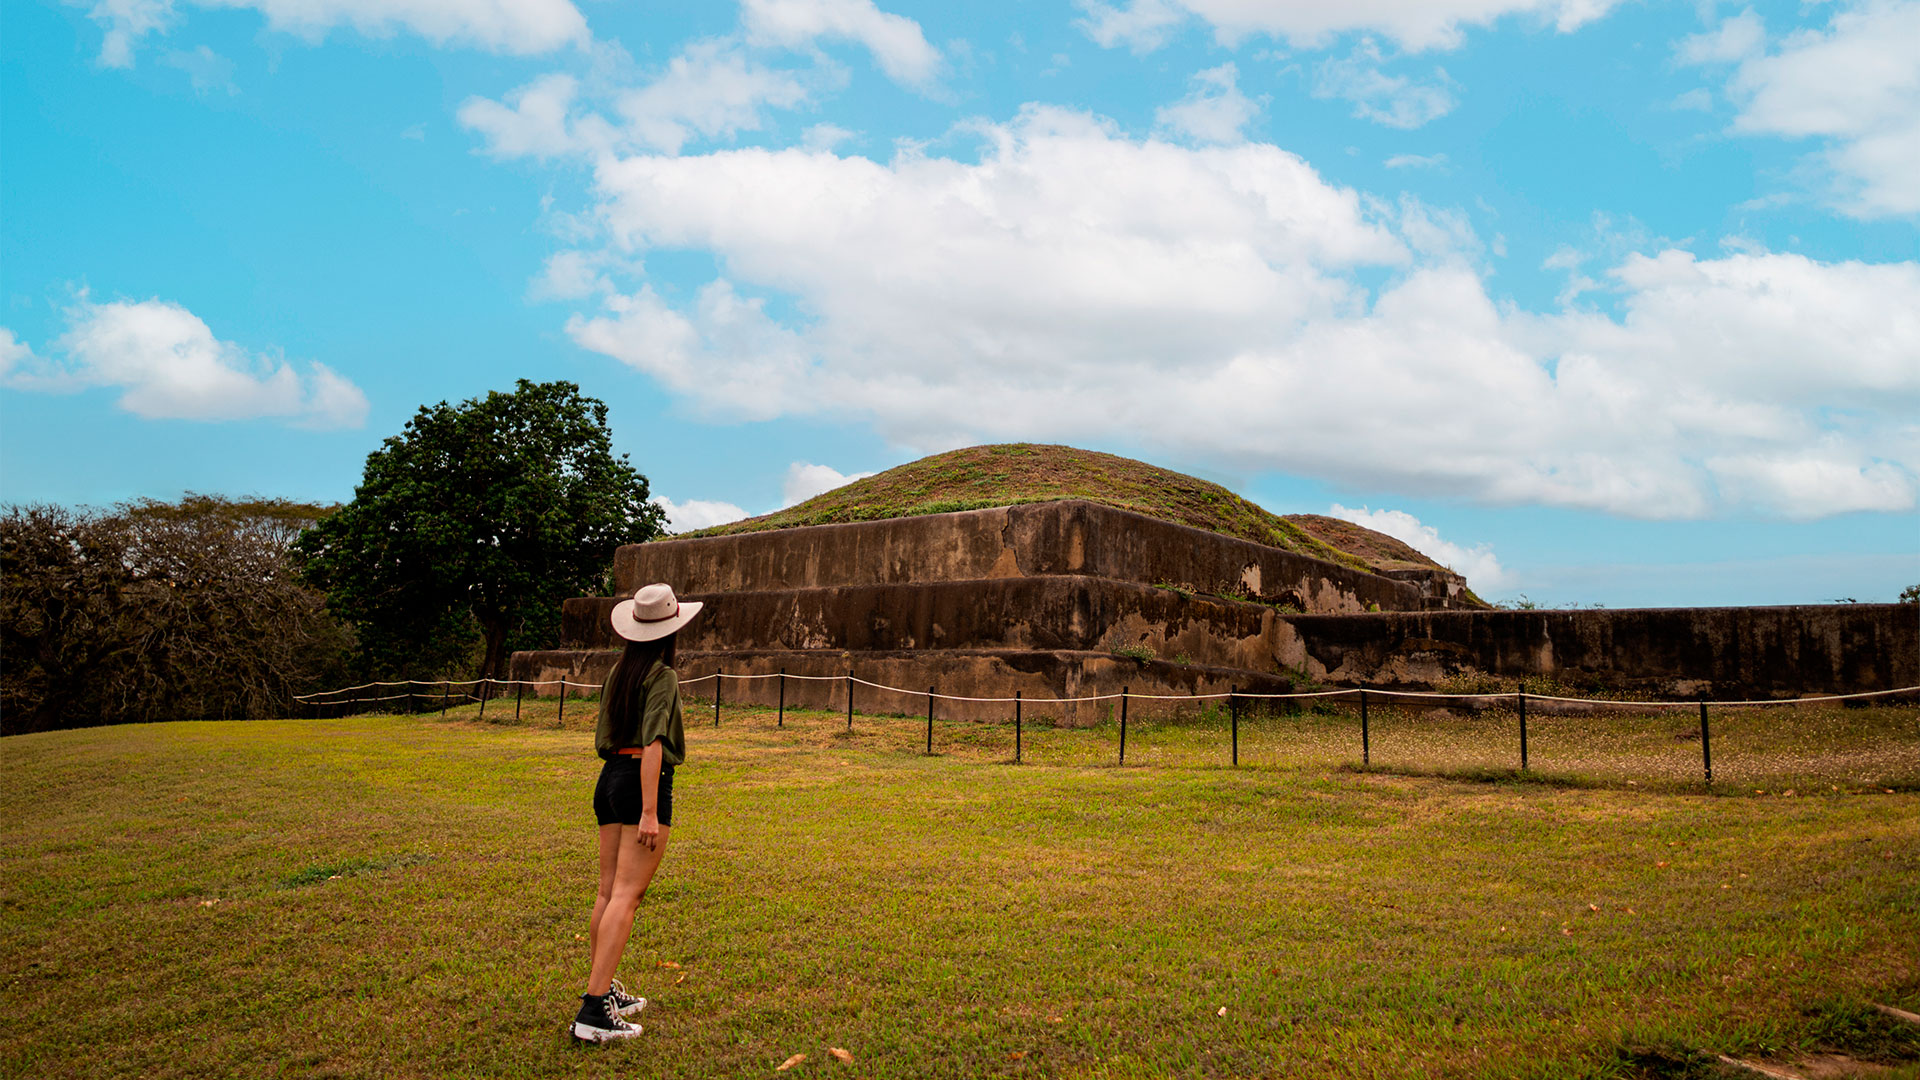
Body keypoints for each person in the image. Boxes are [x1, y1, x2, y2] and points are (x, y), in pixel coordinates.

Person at [570, 582, 702, 1044]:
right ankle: (593, 1010)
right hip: (639, 784)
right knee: (627, 895)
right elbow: (653, 743)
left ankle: (602, 991)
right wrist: (649, 810)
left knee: (608, 892)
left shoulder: (619, 672)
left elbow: (607, 735)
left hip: (608, 781)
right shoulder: (661, 675)